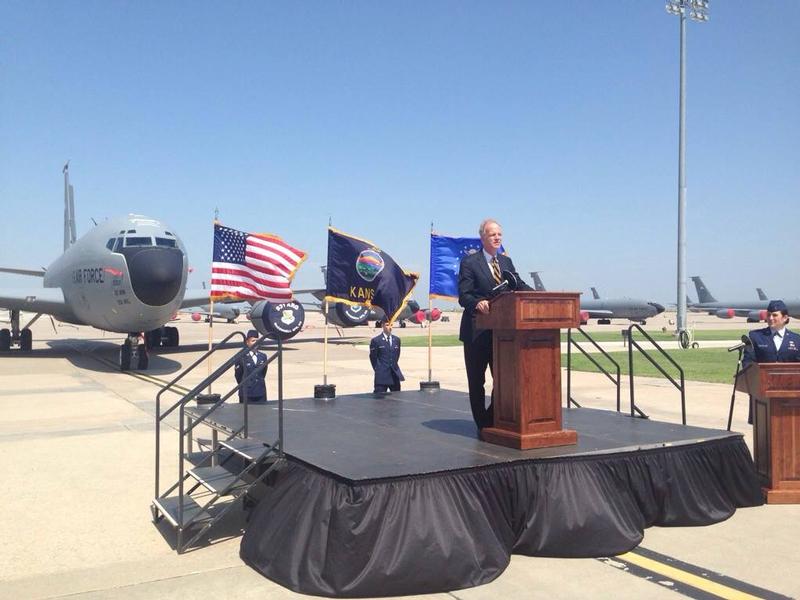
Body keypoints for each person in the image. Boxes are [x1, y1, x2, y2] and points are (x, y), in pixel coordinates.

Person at [458, 219, 531, 430]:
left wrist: (539, 296)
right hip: (477, 331)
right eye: (492, 234)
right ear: (483, 238)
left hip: (502, 334)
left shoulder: (506, 262)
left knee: (503, 380)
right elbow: (464, 295)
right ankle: (482, 424)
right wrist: (477, 303)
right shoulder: (470, 263)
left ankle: (492, 418)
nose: (497, 238)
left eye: (499, 234)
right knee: (477, 381)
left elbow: (519, 284)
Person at [742, 300, 800, 423]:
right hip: (762, 393)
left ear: (785, 318)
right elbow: (748, 362)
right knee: (763, 425)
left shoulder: (797, 340)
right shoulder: (755, 336)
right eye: (768, 315)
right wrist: (755, 380)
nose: (770, 318)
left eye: (774, 315)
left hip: (789, 393)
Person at [369, 321, 404, 393]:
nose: (390, 327)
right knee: (379, 398)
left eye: (391, 325)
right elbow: (373, 358)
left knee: (397, 397)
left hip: (394, 375)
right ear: (382, 325)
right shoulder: (376, 340)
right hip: (382, 376)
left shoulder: (396, 340)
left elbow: (396, 355)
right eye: (387, 325)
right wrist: (379, 369)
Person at [234, 329, 268, 403]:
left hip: (260, 392)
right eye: (253, 341)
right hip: (247, 393)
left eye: (257, 340)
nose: (256, 343)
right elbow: (238, 375)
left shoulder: (263, 356)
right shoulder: (241, 357)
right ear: (247, 342)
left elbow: (263, 373)